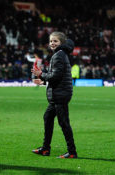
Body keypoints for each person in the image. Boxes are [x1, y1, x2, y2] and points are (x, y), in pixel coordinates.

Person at [31, 31, 77, 159]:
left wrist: (41, 74)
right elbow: (57, 76)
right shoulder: (61, 54)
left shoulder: (58, 55)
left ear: (61, 43)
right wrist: (44, 80)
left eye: (55, 41)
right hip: (59, 93)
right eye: (51, 41)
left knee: (63, 123)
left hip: (60, 95)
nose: (52, 43)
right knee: (48, 117)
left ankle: (72, 152)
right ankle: (45, 148)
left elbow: (56, 76)